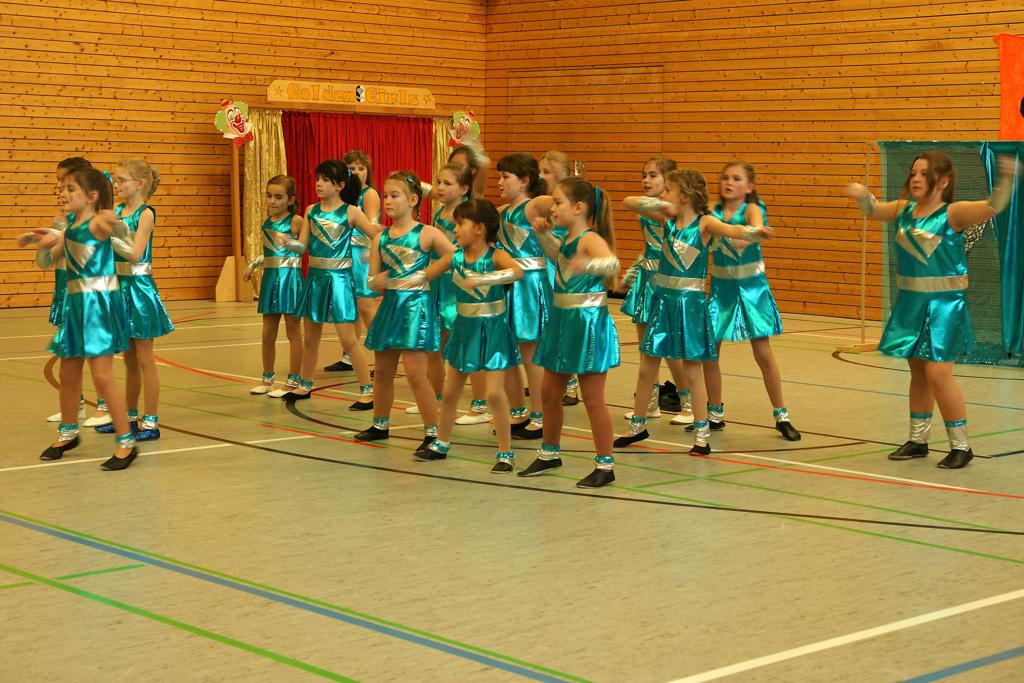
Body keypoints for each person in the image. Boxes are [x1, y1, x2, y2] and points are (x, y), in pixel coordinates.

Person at [845, 151, 1016, 468]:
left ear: (943, 181)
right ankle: (918, 440)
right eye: (913, 173)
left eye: (924, 173)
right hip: (910, 303)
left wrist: (1006, 179)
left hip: (944, 307)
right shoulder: (903, 209)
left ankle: (961, 446)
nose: (916, 178)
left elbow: (993, 205)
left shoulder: (953, 213)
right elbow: (873, 210)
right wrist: (862, 195)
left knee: (938, 373)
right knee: (918, 372)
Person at [615, 169, 774, 454]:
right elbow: (630, 202)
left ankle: (702, 435)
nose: (663, 195)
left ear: (685, 196)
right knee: (647, 367)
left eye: (668, 190)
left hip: (690, 306)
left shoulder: (704, 223)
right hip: (663, 302)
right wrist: (661, 204)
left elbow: (734, 231)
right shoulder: (666, 220)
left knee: (692, 371)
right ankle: (637, 426)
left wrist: (755, 232)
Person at [21, 168, 138, 470]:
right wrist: (40, 243)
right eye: (63, 188)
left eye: (71, 189)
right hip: (75, 305)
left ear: (92, 196)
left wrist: (116, 220)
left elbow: (121, 232)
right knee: (69, 371)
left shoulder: (98, 221)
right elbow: (48, 261)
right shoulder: (71, 227)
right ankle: (68, 432)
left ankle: (126, 441)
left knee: (102, 375)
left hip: (98, 304)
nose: (64, 193)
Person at [517, 177, 621, 488]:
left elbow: (612, 264)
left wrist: (587, 265)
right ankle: (549, 453)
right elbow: (559, 259)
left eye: (558, 202)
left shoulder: (590, 238)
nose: (552, 208)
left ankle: (605, 464)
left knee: (593, 398)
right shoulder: (566, 238)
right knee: (549, 393)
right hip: (562, 321)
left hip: (588, 324)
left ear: (578, 207)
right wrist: (543, 235)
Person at [414, 198, 524, 471]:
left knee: (494, 394)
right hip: (464, 330)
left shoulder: (495, 256)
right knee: (451, 393)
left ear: (479, 228)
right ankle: (441, 443)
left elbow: (517, 272)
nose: (455, 229)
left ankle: (505, 453)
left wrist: (484, 279)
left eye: (461, 223)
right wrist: (393, 277)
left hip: (493, 331)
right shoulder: (455, 257)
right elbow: (426, 273)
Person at [355, 172, 455, 447]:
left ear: (412, 200)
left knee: (415, 374)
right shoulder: (380, 238)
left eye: (394, 195)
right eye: (385, 195)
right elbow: (372, 280)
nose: (387, 201)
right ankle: (380, 424)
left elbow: (454, 255)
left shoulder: (427, 233)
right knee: (383, 371)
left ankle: (433, 432)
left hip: (416, 308)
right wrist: (379, 281)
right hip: (391, 307)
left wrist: (428, 273)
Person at [284, 160, 378, 407]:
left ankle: (367, 390)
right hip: (315, 279)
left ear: (340, 185)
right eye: (318, 178)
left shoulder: (352, 212)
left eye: (325, 180)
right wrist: (288, 243)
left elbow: (377, 236)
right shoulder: (311, 210)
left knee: (348, 340)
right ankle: (305, 384)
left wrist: (378, 256)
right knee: (310, 338)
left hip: (340, 281)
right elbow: (303, 246)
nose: (319, 184)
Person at [95, 158, 174, 441]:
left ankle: (150, 422)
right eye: (115, 179)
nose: (116, 185)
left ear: (139, 184)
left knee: (144, 359)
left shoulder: (146, 214)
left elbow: (137, 253)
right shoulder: (116, 211)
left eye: (121, 180)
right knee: (128, 359)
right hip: (118, 287)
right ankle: (128, 416)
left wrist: (109, 237)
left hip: (139, 289)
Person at [244, 175, 305, 398]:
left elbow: (304, 248)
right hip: (271, 279)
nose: (272, 201)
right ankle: (267, 379)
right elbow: (271, 253)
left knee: (293, 332)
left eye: (278, 197)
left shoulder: (296, 221)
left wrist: (291, 242)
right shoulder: (266, 223)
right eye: (269, 196)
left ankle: (293, 380)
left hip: (290, 279)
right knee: (267, 333)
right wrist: (254, 264)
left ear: (290, 199)